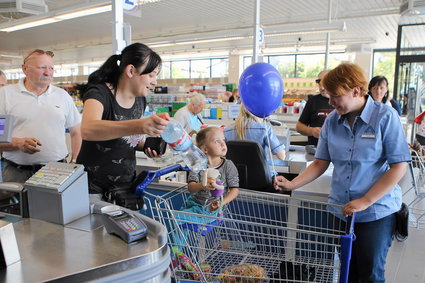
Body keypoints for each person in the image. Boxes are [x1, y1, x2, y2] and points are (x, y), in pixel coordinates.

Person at [274, 63, 411, 282]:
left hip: (376, 212)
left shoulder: (385, 117)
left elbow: (399, 166)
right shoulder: (332, 121)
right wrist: (292, 184)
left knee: (369, 274)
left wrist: (365, 200)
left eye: (335, 96)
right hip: (341, 211)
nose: (330, 102)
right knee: (346, 271)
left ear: (356, 91)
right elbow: (320, 163)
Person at [76, 42, 169, 200]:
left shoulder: (140, 100)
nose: (155, 82)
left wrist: (145, 145)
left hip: (125, 187)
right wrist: (140, 125)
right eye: (151, 75)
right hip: (93, 188)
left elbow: (126, 137)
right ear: (131, 70)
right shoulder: (99, 93)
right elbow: (88, 129)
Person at [0, 49, 82, 183]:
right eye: (42, 67)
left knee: (54, 205)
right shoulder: (5, 95)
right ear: (25, 69)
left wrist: (74, 160)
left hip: (57, 171)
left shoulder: (62, 96)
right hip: (17, 172)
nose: (48, 72)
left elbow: (76, 131)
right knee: (18, 204)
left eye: (51, 68)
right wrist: (18, 143)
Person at [185, 127, 239, 215]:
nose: (223, 144)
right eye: (217, 141)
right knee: (177, 220)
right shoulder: (197, 165)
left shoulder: (228, 165)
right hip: (195, 206)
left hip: (214, 208)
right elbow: (191, 188)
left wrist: (221, 203)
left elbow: (234, 191)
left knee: (181, 222)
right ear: (205, 149)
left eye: (223, 140)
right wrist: (202, 185)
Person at [224, 103, 286, 177]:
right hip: (261, 177)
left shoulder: (227, 131)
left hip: (235, 178)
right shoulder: (264, 129)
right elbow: (282, 156)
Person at [296, 70, 334, 146]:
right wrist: (312, 131)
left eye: (324, 84)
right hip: (315, 149)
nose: (321, 88)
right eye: (319, 84)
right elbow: (299, 127)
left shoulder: (342, 100)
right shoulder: (313, 101)